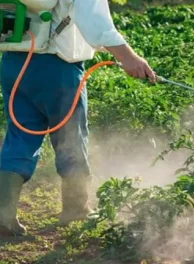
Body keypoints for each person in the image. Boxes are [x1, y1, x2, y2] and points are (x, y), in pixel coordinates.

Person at [0, 0, 156, 237]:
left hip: (14, 63)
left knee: (19, 136)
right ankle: (76, 208)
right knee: (70, 137)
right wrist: (129, 57)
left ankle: (3, 215)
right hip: (58, 68)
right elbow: (96, 22)